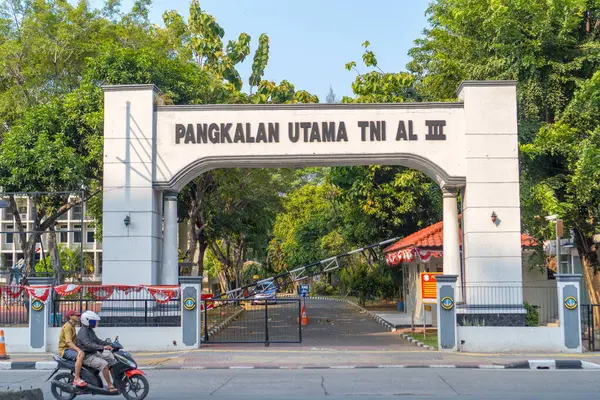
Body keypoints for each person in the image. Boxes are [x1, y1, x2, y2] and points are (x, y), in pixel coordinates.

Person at [76, 311, 117, 393]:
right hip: (87, 356)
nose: (95, 323)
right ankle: (109, 385)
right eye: (93, 321)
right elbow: (89, 344)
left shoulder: (89, 330)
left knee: (111, 360)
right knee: (104, 364)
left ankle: (116, 381)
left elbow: (97, 340)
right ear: (87, 321)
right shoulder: (83, 332)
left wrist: (110, 344)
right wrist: (103, 347)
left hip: (93, 353)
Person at [58, 310, 87, 387]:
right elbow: (69, 342)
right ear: (70, 317)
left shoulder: (72, 326)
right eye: (76, 315)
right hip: (65, 350)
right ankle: (76, 378)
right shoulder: (68, 327)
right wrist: (79, 350)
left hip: (70, 349)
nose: (78, 317)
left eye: (78, 315)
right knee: (81, 355)